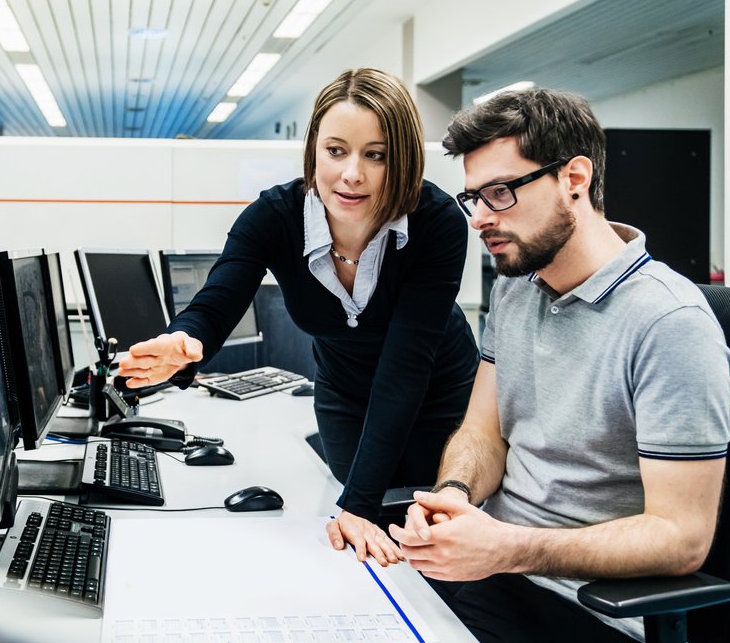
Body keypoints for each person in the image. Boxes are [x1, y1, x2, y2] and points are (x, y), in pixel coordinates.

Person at [389, 88, 730, 643]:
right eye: (473, 199)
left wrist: (508, 547)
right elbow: (482, 433)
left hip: (597, 625)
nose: (481, 218)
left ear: (574, 179)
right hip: (497, 578)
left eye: (501, 193)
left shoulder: (669, 323)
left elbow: (683, 537)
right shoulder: (517, 290)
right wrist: (453, 499)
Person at [118, 68, 477, 566]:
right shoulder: (275, 216)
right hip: (344, 394)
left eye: (376, 155)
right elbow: (220, 296)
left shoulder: (435, 222)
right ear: (313, 150)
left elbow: (406, 365)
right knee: (360, 533)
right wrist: (187, 339)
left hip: (440, 393)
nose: (352, 174)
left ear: (405, 160)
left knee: (424, 525)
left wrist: (359, 504)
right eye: (336, 151)